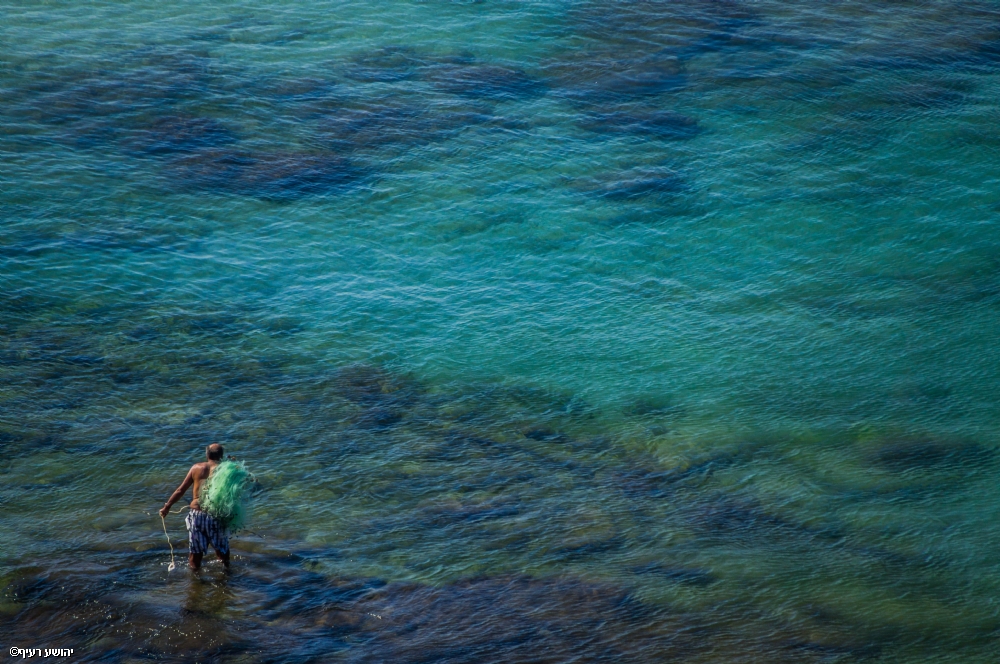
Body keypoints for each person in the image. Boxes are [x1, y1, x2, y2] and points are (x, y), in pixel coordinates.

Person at [160, 444, 230, 570]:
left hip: (197, 515)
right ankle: (224, 580)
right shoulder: (226, 469)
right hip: (215, 514)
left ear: (207, 455)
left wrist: (167, 507)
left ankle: (195, 583)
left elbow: (180, 490)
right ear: (221, 456)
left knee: (195, 551)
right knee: (222, 550)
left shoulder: (196, 468)